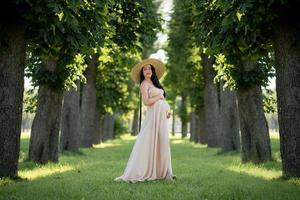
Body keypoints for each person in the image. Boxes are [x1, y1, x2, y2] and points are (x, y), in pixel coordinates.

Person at [114, 58, 175, 183]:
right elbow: (147, 102)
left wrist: (166, 111)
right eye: (145, 69)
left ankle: (165, 172)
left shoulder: (155, 84)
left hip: (161, 118)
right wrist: (159, 96)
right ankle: (145, 171)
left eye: (149, 68)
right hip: (152, 118)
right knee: (150, 143)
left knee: (162, 142)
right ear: (142, 73)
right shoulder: (144, 85)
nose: (147, 70)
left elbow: (162, 102)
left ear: (152, 71)